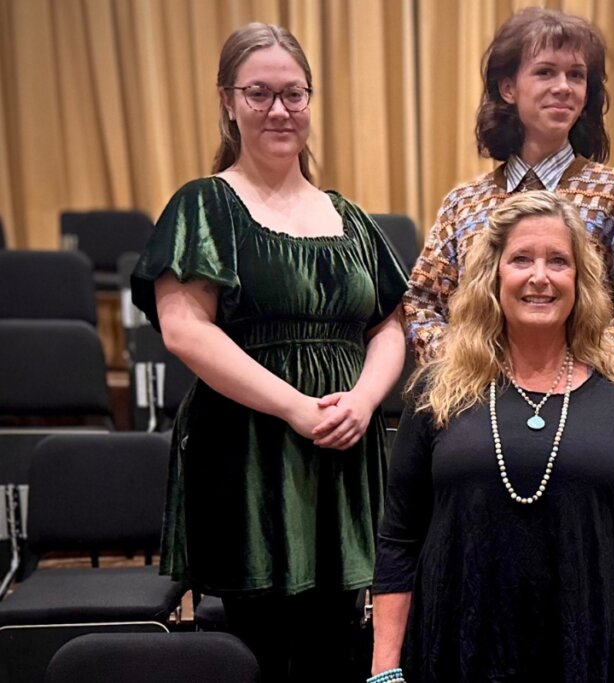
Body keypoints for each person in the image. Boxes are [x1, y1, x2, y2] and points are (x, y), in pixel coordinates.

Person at [130, 22, 407, 682]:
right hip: (249, 453)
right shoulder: (204, 206)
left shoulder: (351, 217)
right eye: (259, 93)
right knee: (259, 651)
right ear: (228, 102)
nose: (279, 109)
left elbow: (390, 326)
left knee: (336, 645)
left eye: (293, 93)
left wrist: (364, 399)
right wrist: (295, 408)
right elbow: (184, 329)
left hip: (344, 446)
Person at [370, 191, 614, 683]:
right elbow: (399, 539)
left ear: (580, 279)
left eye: (558, 261)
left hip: (583, 655)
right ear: (493, 275)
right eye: (521, 259)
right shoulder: (435, 392)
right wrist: (384, 670)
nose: (540, 277)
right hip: (455, 652)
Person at [403, 6, 614, 380]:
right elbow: (421, 306)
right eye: (545, 72)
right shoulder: (463, 204)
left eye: (576, 75)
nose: (563, 87)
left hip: (584, 400)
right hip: (479, 395)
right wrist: (473, 362)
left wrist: (567, 370)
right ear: (508, 88)